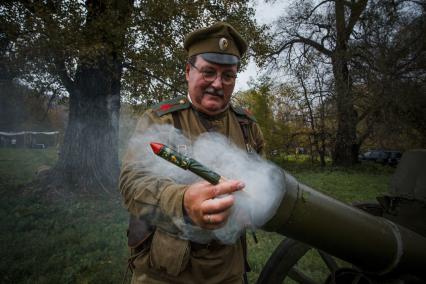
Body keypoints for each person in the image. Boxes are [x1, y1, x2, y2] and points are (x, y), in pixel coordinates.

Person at [120, 22, 264, 284]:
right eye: (208, 72)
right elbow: (131, 185)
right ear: (188, 71)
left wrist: (253, 206)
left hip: (230, 272)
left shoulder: (248, 126)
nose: (217, 84)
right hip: (167, 274)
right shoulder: (159, 120)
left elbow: (260, 182)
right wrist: (184, 201)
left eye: (228, 76)